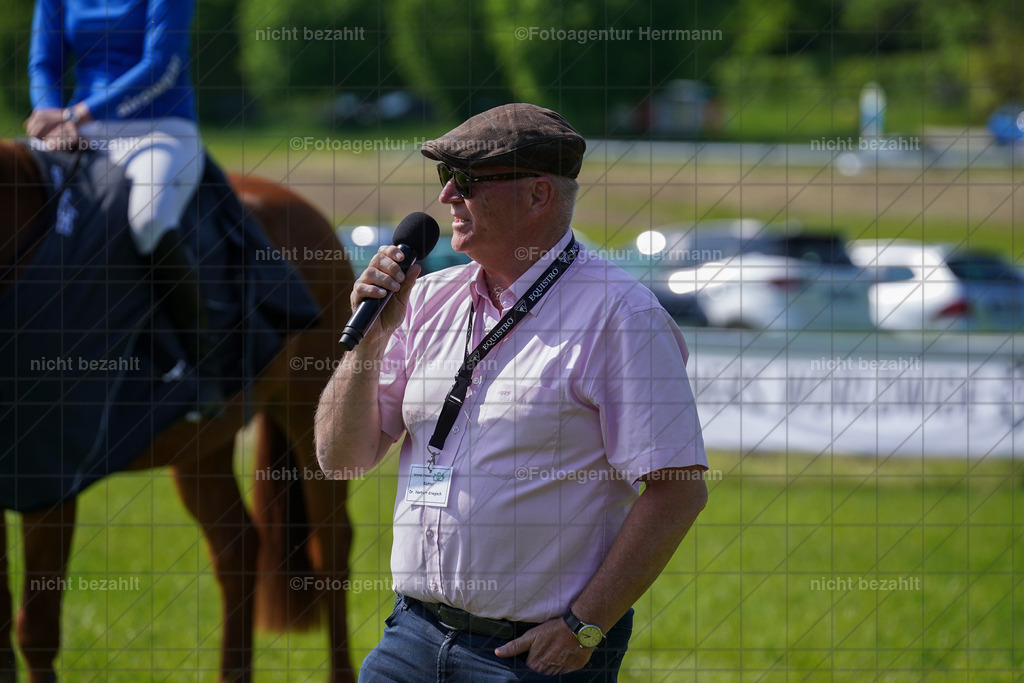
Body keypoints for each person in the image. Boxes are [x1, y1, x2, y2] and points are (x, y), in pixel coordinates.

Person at [315, 103, 708, 681]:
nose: (447, 196)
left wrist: (585, 626)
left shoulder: (620, 314)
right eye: (444, 178)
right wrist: (368, 344)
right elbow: (340, 460)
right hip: (412, 637)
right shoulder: (425, 300)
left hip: (531, 658)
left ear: (538, 196)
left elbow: (678, 491)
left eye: (468, 181)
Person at [25, 0, 221, 419]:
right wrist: (47, 111)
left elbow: (160, 66)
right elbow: (44, 62)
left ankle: (202, 368)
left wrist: (75, 114)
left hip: (161, 129)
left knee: (148, 220)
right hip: (78, 133)